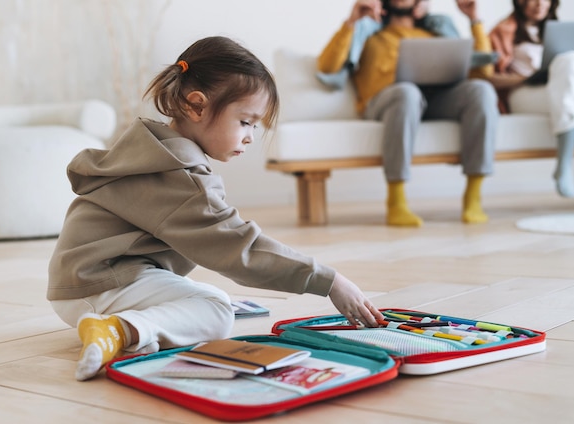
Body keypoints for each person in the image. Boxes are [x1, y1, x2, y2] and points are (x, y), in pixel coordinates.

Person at [47, 36, 384, 382]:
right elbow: (239, 249)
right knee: (216, 310)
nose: (251, 136)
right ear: (196, 106)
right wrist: (329, 281)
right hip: (97, 284)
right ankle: (119, 330)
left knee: (210, 301)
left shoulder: (152, 149)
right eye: (245, 122)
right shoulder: (180, 177)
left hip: (87, 276)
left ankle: (127, 325)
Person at [317, 0, 499, 227]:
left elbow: (484, 71)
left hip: (435, 99)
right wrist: (352, 21)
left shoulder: (437, 30)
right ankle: (396, 201)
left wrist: (474, 19)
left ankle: (473, 196)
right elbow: (326, 67)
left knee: (481, 90)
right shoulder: (368, 31)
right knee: (407, 92)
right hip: (387, 100)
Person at [489, 0, 574, 213]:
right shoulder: (503, 30)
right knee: (569, 62)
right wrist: (526, 79)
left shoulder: (563, 31)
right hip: (524, 94)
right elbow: (487, 76)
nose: (539, 4)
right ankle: (566, 164)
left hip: (560, 93)